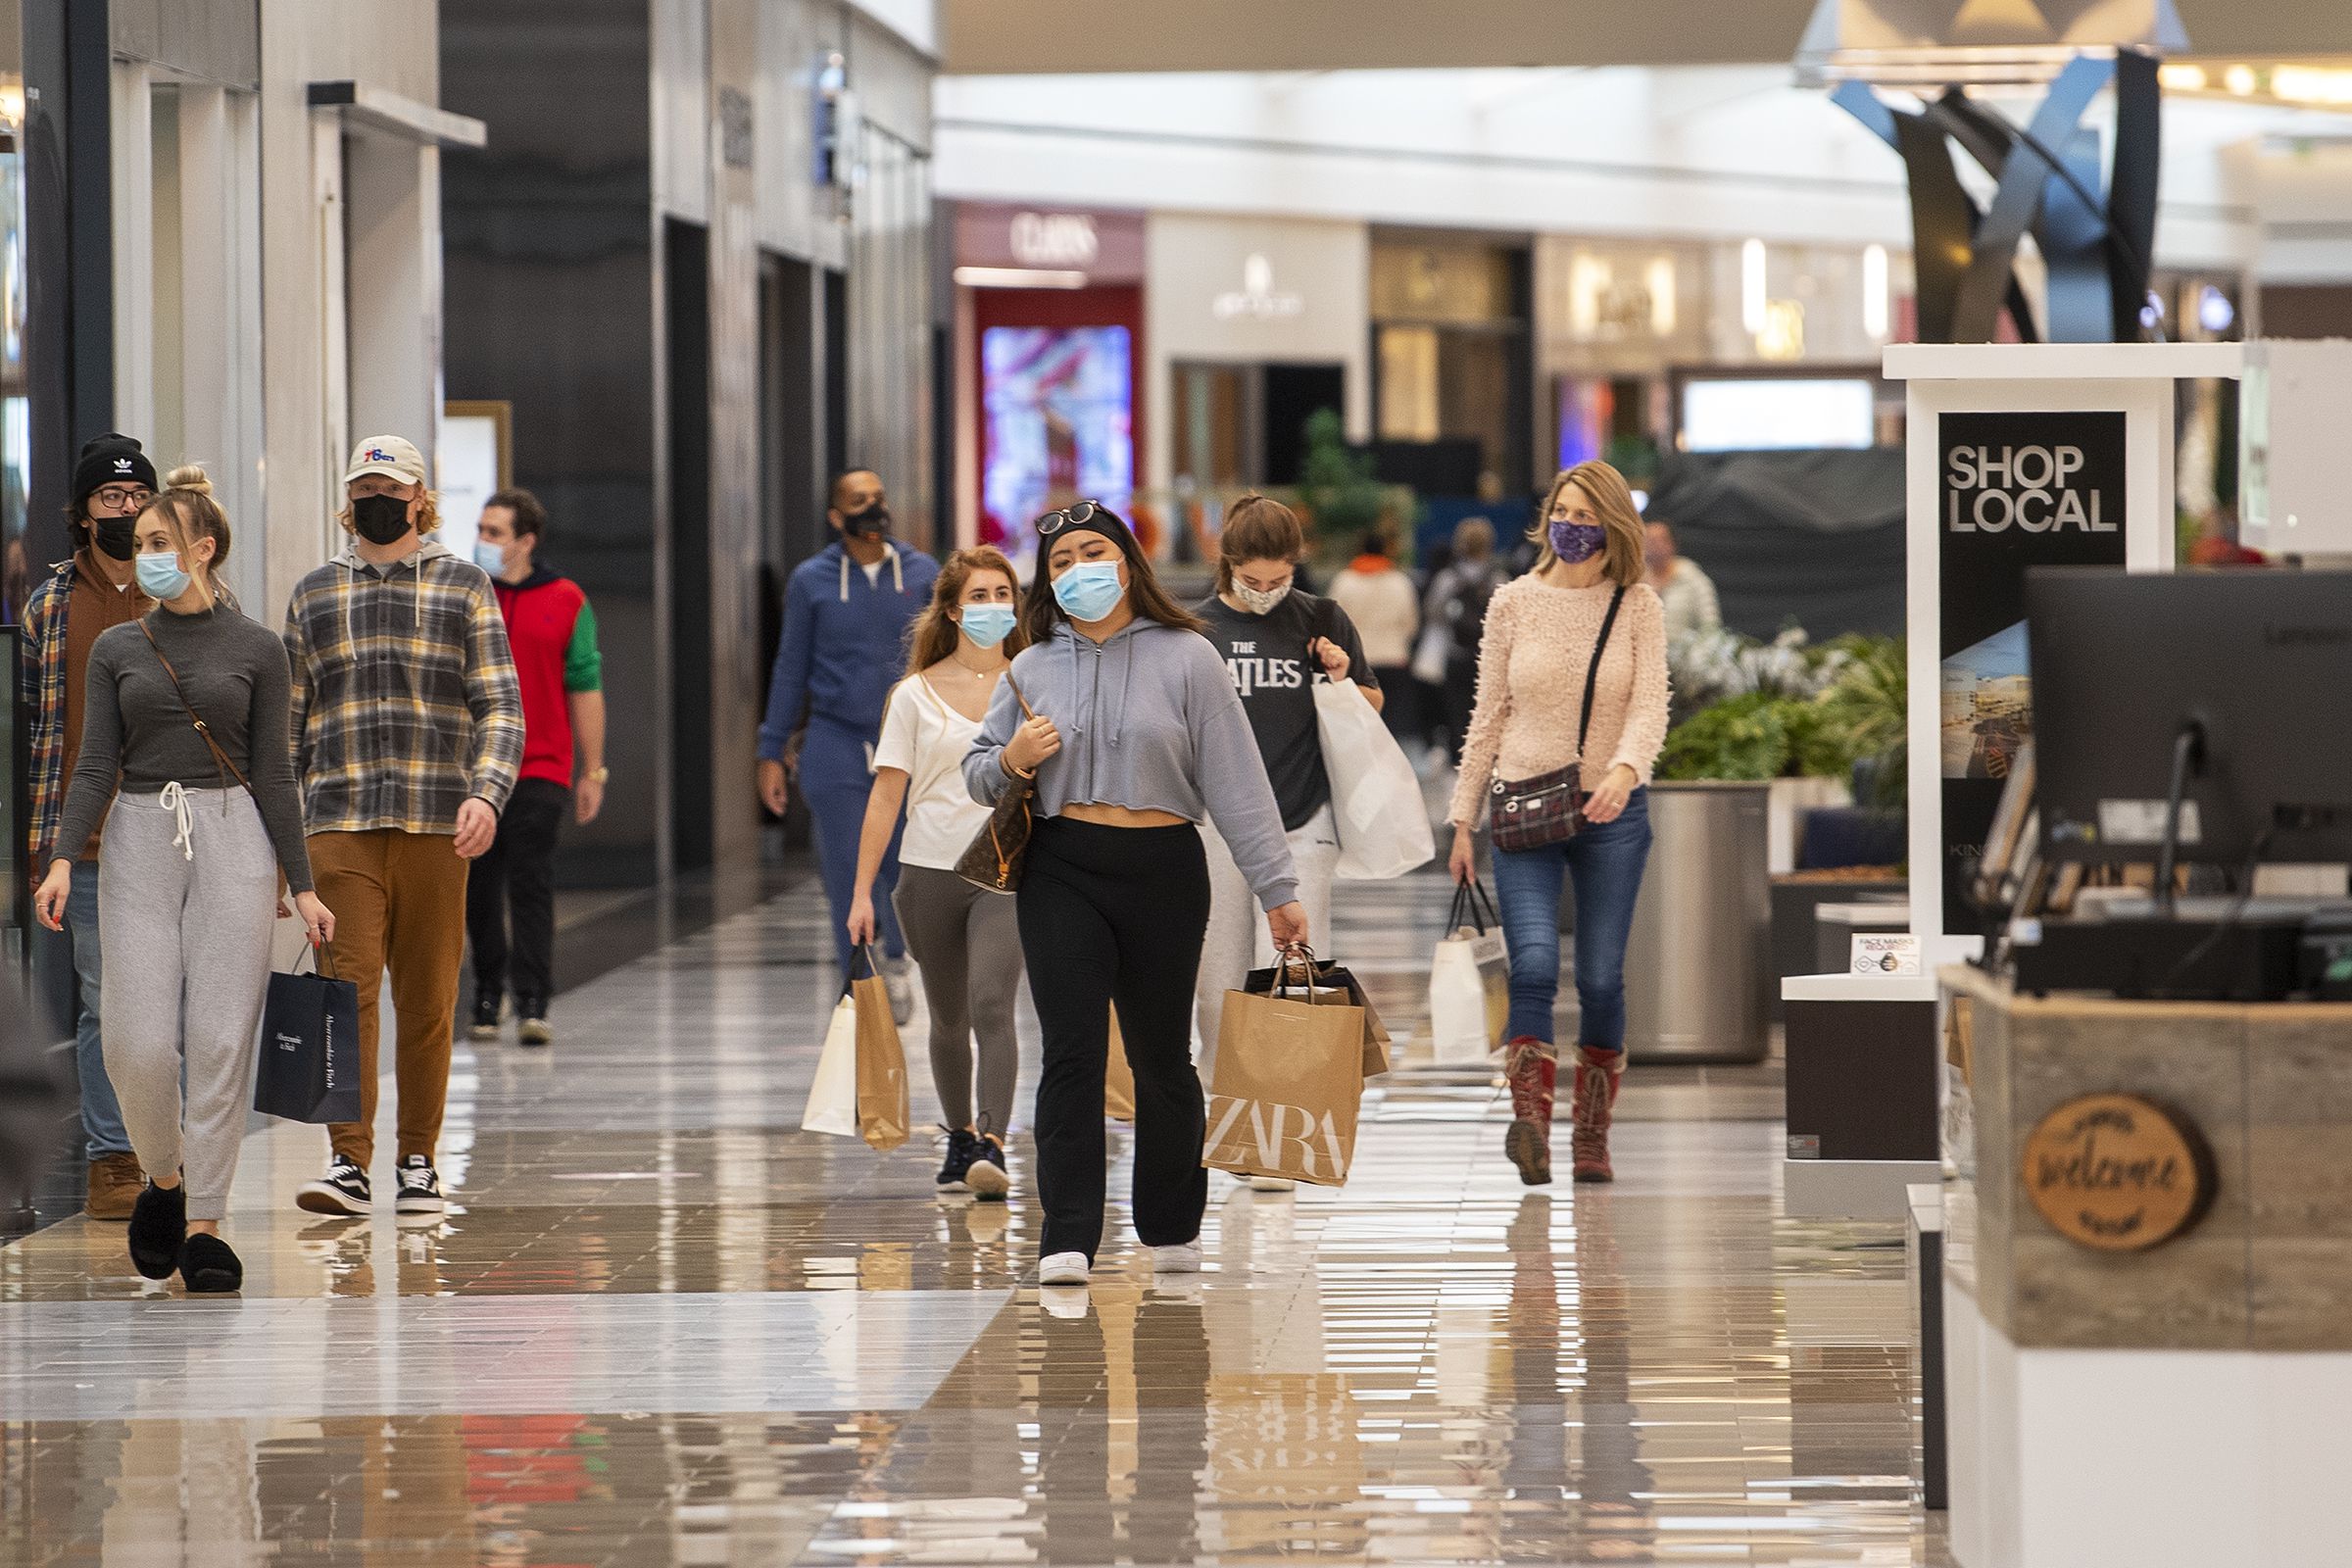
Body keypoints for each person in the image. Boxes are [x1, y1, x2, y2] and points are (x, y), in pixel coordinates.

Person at [964, 501, 1307, 1289]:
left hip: (1162, 867)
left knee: (1162, 1056)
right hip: (1061, 866)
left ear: (1125, 560)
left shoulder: (1189, 656)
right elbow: (980, 772)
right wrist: (1013, 756)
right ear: (1046, 580)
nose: (1078, 569)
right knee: (1074, 1053)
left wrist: (1276, 889)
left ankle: (1171, 1223)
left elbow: (1237, 783)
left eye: (1093, 551)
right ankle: (1068, 1232)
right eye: (1061, 561)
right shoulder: (1029, 665)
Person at [36, 468, 335, 1292]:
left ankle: (204, 1219)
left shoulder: (257, 648)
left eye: (161, 543)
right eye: (140, 547)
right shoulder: (119, 648)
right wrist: (63, 857)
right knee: (135, 1040)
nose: (146, 559)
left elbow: (276, 774)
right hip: (136, 832)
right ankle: (162, 1181)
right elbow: (95, 762)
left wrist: (301, 883)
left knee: (219, 1039)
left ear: (203, 549)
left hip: (237, 834)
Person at [285, 435, 523, 1218]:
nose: (376, 500)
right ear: (346, 500)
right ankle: (348, 1163)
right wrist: (281, 843)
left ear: (421, 498)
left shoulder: (465, 588)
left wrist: (486, 795)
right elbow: (289, 727)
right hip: (339, 820)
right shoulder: (315, 594)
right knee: (343, 989)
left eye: (390, 487)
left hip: (434, 822)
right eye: (362, 487)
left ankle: (418, 1160)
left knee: (427, 998)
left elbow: (500, 706)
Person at [1448, 461, 1669, 1187]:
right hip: (1523, 805)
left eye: (1586, 515)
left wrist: (1625, 770)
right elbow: (1488, 717)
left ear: (1613, 526)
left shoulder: (1637, 605)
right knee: (1535, 966)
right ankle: (1533, 1129)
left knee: (1602, 978)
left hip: (1612, 813)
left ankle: (1593, 1136)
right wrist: (1461, 821)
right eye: (1563, 512)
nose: (1572, 526)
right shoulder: (1512, 603)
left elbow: (1649, 705)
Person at [1191, 495, 1380, 1196]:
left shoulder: (1321, 617)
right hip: (1214, 823)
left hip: (1303, 817)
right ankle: (1230, 1114)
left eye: (1280, 580)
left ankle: (1277, 1130)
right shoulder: (1194, 628)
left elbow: (1371, 702)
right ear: (1229, 563)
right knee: (1217, 979)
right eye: (1255, 580)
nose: (1267, 593)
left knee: (1290, 968)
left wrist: (1337, 673)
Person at [848, 547, 1026, 1200]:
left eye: (1002, 595)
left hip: (1005, 874)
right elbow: (886, 796)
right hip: (926, 875)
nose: (992, 608)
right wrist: (862, 891)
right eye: (978, 597)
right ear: (952, 609)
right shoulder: (914, 695)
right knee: (947, 1017)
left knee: (990, 1004)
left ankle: (994, 1143)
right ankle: (957, 1139)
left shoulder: (1031, 683)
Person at [23, 434, 158, 1220]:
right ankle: (114, 1156)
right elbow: (37, 727)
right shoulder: (49, 606)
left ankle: (169, 1148)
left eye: (138, 497)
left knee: (171, 1000)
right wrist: (46, 849)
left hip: (177, 832)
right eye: (112, 500)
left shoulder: (185, 591)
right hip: (88, 842)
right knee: (107, 999)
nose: (127, 510)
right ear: (82, 515)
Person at [757, 468, 939, 1005]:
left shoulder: (922, 572)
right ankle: (857, 977)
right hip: (834, 739)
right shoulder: (811, 580)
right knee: (843, 862)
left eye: (879, 497)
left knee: (902, 858)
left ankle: (900, 956)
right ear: (836, 517)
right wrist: (771, 749)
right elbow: (790, 667)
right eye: (859, 501)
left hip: (907, 740)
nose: (873, 507)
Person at [465, 489, 607, 1048]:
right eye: (481, 529)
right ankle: (485, 991)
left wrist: (593, 771)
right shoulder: (469, 592)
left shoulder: (567, 598)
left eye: (494, 532)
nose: (484, 541)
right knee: (478, 886)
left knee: (531, 883)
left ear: (526, 541)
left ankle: (532, 999)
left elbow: (586, 685)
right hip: (475, 771)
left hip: (543, 766)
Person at [1324, 523, 1421, 750]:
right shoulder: (1400, 582)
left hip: (1357, 663)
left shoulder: (1344, 581)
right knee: (1393, 724)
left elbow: (1332, 625)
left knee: (1360, 725)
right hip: (1393, 658)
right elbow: (1411, 625)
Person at [1422, 515, 1505, 765]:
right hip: (1488, 658)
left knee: (1457, 711)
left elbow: (1433, 613)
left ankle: (1460, 758)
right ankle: (1487, 757)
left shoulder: (1448, 578)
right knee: (1488, 711)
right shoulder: (1498, 577)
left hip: (1456, 654)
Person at [1644, 519, 1721, 652]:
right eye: (1647, 540)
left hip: (1683, 658)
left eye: (1657, 540)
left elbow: (1710, 624)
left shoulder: (1693, 579)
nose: (1652, 545)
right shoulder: (1635, 579)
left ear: (1672, 544)